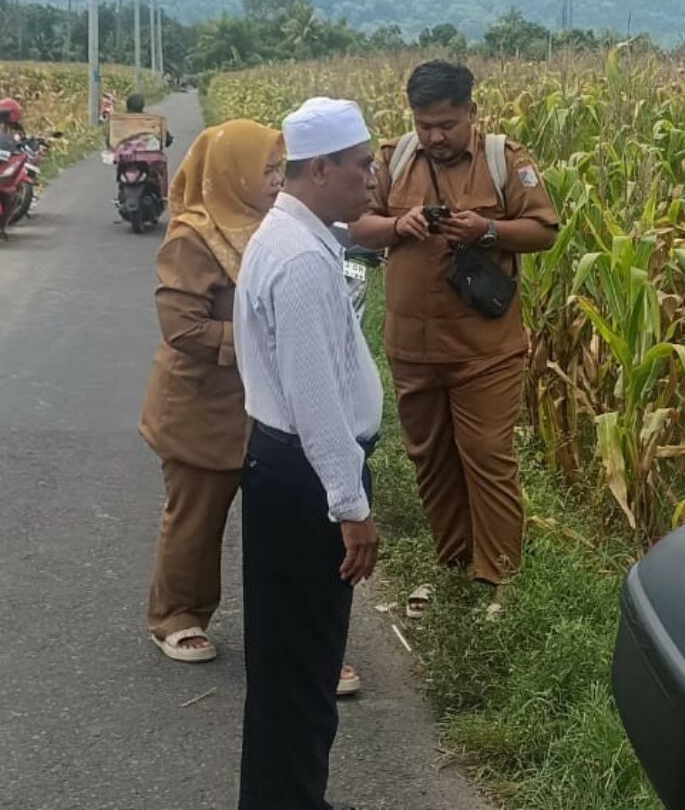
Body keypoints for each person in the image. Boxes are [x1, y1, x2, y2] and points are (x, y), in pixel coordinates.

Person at [349, 60, 558, 616]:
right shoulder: (392, 160)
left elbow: (544, 230)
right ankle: (453, 564)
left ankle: (498, 580)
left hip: (484, 347)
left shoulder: (505, 162)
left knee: (487, 455)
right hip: (412, 346)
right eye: (424, 125)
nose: (435, 136)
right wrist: (401, 224)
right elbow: (355, 226)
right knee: (431, 457)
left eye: (446, 124)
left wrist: (486, 229)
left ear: (471, 111)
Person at [234, 97, 381, 810]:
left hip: (288, 472)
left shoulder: (295, 237)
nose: (372, 176)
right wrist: (351, 507)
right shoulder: (298, 260)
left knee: (292, 669)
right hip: (306, 481)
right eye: (360, 165)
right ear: (319, 168)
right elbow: (316, 401)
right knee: (303, 673)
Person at [139, 119, 285, 663]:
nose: (275, 180)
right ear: (232, 174)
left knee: (281, 520)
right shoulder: (193, 236)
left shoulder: (271, 226)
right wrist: (261, 338)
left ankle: (289, 630)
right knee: (197, 518)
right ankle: (177, 616)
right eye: (265, 170)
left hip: (261, 404)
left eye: (279, 169)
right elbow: (181, 327)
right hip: (201, 404)